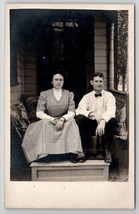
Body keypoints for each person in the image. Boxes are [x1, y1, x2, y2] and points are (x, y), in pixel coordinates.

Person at [22, 71, 84, 164]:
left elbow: (72, 112)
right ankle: (46, 155)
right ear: (52, 81)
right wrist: (54, 120)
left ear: (63, 82)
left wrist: (62, 119)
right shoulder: (44, 94)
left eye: (61, 80)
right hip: (50, 119)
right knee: (45, 124)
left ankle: (72, 154)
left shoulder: (69, 94)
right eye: (56, 80)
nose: (58, 82)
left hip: (64, 120)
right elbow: (39, 113)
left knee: (72, 122)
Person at [75, 72, 117, 163]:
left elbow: (111, 111)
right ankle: (85, 150)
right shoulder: (87, 97)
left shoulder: (109, 96)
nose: (98, 83)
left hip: (104, 125)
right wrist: (92, 114)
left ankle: (106, 151)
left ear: (103, 82)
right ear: (91, 82)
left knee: (112, 120)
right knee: (79, 119)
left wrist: (103, 120)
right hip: (91, 124)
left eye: (100, 81)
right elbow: (79, 110)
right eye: (96, 81)